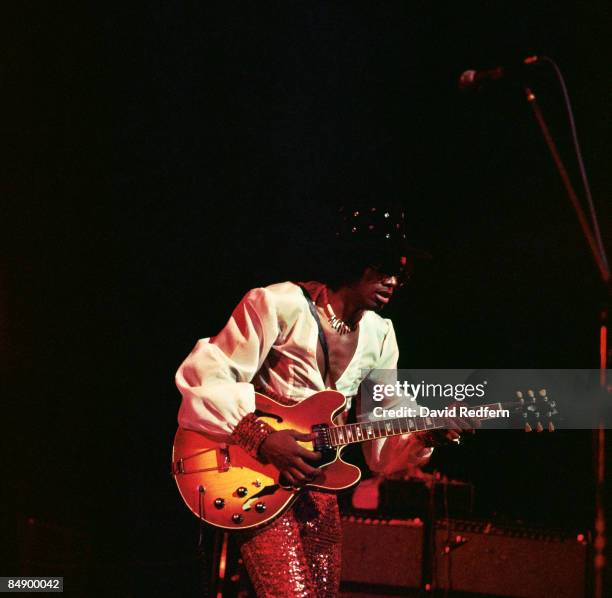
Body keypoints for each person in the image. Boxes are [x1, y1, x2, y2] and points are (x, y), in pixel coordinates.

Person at [175, 204, 468, 597]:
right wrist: (259, 436)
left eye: (401, 273)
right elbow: (208, 372)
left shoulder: (381, 335)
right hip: (258, 476)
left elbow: (384, 425)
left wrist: (425, 435)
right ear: (353, 261)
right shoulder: (279, 304)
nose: (394, 281)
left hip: (319, 488)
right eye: (383, 267)